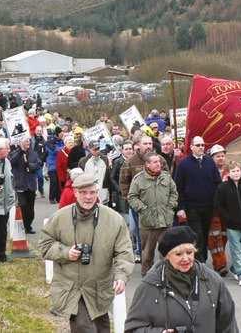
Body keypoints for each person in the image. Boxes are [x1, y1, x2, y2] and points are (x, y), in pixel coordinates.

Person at [39, 173, 134, 333]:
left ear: (98, 193)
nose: (88, 197)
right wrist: (66, 252)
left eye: (92, 192)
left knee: (102, 329)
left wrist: (121, 276)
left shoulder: (114, 219)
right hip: (72, 289)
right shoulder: (60, 217)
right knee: (84, 328)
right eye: (83, 193)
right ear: (75, 193)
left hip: (99, 289)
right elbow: (45, 245)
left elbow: (124, 252)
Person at [125, 226, 238, 333]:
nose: (186, 258)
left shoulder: (213, 281)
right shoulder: (149, 285)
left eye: (189, 252)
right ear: (167, 256)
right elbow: (133, 328)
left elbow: (228, 325)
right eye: (178, 254)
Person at [128, 152, 179, 276]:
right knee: (147, 253)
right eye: (155, 162)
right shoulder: (138, 179)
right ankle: (147, 275)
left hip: (165, 221)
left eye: (159, 162)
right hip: (148, 223)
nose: (159, 164)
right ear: (147, 164)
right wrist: (143, 209)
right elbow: (132, 197)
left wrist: (170, 207)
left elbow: (174, 193)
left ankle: (166, 275)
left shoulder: (166, 177)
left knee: (166, 251)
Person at [174, 136, 222, 264]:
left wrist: (217, 203)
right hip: (192, 207)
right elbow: (178, 187)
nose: (201, 147)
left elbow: (217, 182)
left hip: (208, 206)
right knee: (197, 235)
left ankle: (202, 260)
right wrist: (181, 207)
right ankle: (199, 263)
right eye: (198, 145)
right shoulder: (184, 164)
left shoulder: (209, 162)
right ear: (191, 147)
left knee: (205, 234)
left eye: (202, 145)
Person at [120, 135, 167, 264]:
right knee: (143, 235)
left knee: (163, 234)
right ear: (138, 145)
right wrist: (130, 201)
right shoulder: (130, 162)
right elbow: (124, 183)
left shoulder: (161, 160)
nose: (148, 146)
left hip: (160, 205)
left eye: (150, 143)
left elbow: (168, 179)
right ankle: (145, 262)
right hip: (140, 206)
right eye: (145, 143)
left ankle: (164, 264)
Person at [214, 161, 241, 285]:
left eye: (238, 170)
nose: (236, 173)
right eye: (233, 171)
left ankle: (235, 268)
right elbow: (219, 205)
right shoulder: (222, 187)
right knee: (236, 248)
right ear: (228, 173)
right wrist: (227, 218)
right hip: (231, 223)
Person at [9, 137, 42, 234]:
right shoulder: (15, 153)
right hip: (20, 184)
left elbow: (38, 164)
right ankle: (21, 225)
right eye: (26, 141)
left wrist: (30, 166)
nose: (28, 142)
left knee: (30, 208)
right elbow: (12, 162)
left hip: (31, 184)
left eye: (29, 141)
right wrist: (20, 152)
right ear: (20, 142)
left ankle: (28, 226)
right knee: (22, 205)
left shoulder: (33, 153)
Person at [208, 144, 229, 276]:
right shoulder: (208, 171)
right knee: (216, 239)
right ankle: (221, 265)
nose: (220, 158)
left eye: (222, 156)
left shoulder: (230, 170)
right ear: (212, 158)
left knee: (224, 237)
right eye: (217, 156)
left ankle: (219, 261)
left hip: (227, 212)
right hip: (213, 211)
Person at [110, 140, 135, 213]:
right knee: (124, 213)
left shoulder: (135, 160)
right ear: (122, 151)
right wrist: (119, 189)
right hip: (122, 194)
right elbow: (112, 177)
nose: (128, 151)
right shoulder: (117, 162)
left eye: (130, 149)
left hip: (134, 192)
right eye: (126, 149)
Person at [46, 132, 65, 204]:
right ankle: (51, 197)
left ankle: (58, 197)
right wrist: (63, 147)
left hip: (58, 165)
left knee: (58, 182)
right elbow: (55, 150)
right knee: (53, 182)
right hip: (52, 165)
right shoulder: (49, 144)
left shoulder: (60, 142)